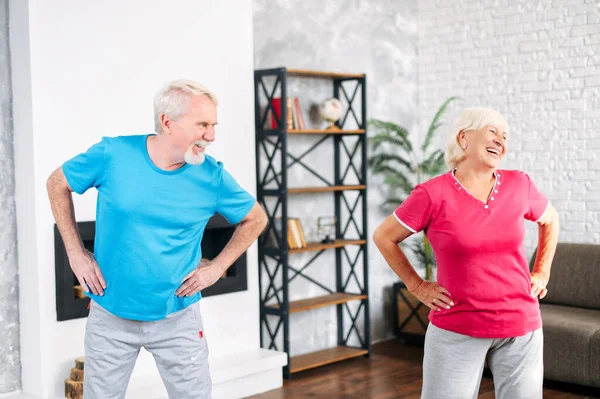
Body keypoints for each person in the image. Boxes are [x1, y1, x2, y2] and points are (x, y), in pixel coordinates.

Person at [46, 79, 268, 398]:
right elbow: (57, 183)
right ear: (167, 122)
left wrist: (218, 267)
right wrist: (75, 252)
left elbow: (255, 217)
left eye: (214, 125)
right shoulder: (113, 154)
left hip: (179, 318)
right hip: (110, 315)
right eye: (202, 124)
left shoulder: (212, 176)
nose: (212, 135)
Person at [373, 107, 560, 399]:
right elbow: (384, 236)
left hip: (521, 326)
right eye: (492, 131)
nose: (500, 140)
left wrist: (542, 271)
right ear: (464, 138)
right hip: (457, 326)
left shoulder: (519, 184)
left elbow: (550, 219)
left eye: (505, 135)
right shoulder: (431, 194)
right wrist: (417, 285)